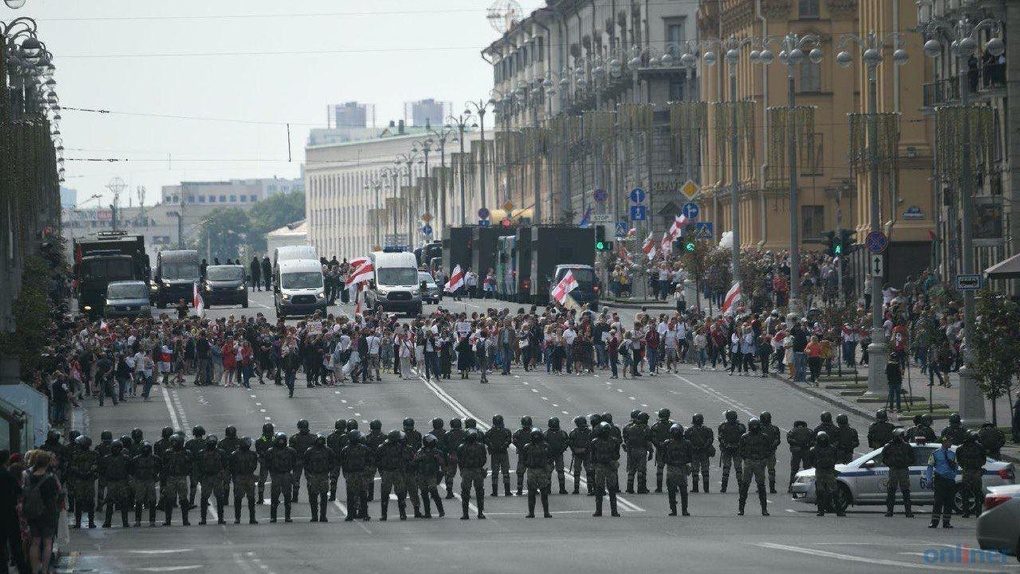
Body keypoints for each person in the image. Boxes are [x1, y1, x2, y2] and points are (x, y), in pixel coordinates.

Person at [25, 451, 60, 574]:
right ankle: (44, 570)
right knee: (47, 543)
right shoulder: (49, 478)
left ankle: (34, 570)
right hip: (48, 514)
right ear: (47, 463)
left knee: (34, 542)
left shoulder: (29, 476)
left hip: (33, 513)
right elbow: (57, 493)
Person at [589, 422, 621, 517]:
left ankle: (612, 510)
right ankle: (600, 510)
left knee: (611, 488)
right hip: (601, 466)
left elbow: (617, 454)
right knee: (599, 488)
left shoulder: (614, 441)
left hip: (608, 465)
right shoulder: (595, 442)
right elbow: (592, 455)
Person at [302, 434, 336, 523]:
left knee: (324, 496)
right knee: (313, 497)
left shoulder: (328, 451)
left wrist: (328, 469)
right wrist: (308, 474)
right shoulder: (310, 451)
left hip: (323, 475)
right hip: (313, 475)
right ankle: (314, 516)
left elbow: (333, 461)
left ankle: (323, 516)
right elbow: (305, 463)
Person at [925, 436, 958, 528]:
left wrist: (953, 474)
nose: (950, 443)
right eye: (949, 441)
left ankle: (946, 522)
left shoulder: (952, 454)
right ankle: (934, 522)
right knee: (938, 501)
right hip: (940, 479)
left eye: (951, 441)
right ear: (944, 442)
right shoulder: (935, 453)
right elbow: (930, 467)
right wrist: (929, 479)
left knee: (949, 501)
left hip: (950, 480)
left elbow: (956, 466)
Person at [340, 430, 373, 521]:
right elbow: (369, 461)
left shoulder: (345, 449)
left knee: (350, 495)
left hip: (351, 475)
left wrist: (345, 474)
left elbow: (343, 463)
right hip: (361, 474)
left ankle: (350, 514)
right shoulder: (364, 448)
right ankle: (364, 514)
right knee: (363, 495)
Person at [808, 431, 843, 517]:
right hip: (822, 471)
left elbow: (835, 458)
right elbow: (811, 461)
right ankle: (825, 510)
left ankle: (832, 510)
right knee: (822, 491)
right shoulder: (815, 449)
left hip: (826, 471)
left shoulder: (830, 449)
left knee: (832, 491)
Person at [265, 432, 297, 523]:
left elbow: (294, 462)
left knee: (287, 496)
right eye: (280, 440)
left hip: (286, 474)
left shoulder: (291, 451)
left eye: (282, 440)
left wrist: (290, 472)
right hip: (276, 475)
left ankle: (287, 516)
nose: (281, 442)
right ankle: (273, 517)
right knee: (274, 496)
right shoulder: (271, 451)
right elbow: (267, 463)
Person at [881, 429, 914, 517]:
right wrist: (890, 464)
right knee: (891, 490)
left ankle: (908, 511)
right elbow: (884, 458)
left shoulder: (907, 446)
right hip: (894, 469)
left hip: (903, 469)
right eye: (900, 436)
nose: (902, 438)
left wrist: (906, 463)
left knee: (905, 490)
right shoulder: (889, 446)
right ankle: (890, 511)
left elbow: (912, 458)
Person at [661, 424, 692, 517]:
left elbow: (663, 457)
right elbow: (690, 456)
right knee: (683, 490)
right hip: (681, 468)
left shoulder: (667, 443)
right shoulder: (687, 443)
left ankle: (673, 510)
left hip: (672, 468)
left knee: (671, 490)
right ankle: (684, 510)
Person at [522, 428, 553, 518]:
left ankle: (532, 513)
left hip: (533, 470)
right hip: (540, 470)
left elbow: (523, 459)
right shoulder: (545, 446)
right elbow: (550, 458)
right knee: (543, 492)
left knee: (532, 492)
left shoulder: (527, 447)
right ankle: (545, 512)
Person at [456, 429, 487, 520]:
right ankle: (480, 513)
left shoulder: (461, 447)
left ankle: (466, 514)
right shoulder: (481, 446)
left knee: (465, 492)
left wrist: (462, 470)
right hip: (476, 470)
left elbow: (460, 460)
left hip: (468, 470)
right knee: (479, 491)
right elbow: (484, 459)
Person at [162, 434, 192, 526]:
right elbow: (164, 467)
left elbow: (190, 466)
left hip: (181, 477)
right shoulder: (168, 453)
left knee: (183, 499)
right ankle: (168, 520)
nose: (174, 444)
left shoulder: (186, 453)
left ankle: (185, 519)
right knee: (169, 499)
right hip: (171, 478)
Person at [228, 437, 259, 524]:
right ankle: (237, 518)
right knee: (238, 498)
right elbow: (231, 466)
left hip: (249, 476)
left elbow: (254, 465)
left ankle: (252, 518)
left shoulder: (252, 454)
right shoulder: (235, 454)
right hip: (240, 477)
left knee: (251, 498)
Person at [956, 432, 986, 518]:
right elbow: (959, 460)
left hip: (972, 471)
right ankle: (971, 512)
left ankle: (972, 512)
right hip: (971, 470)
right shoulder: (961, 448)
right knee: (967, 492)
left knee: (975, 492)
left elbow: (983, 459)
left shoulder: (979, 447)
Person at [129, 442, 160, 526]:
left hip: (150, 480)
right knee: (139, 501)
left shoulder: (155, 459)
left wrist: (155, 476)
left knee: (152, 501)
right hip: (140, 481)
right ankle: (138, 520)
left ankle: (152, 520)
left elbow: (159, 467)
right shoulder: (136, 459)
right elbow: (131, 469)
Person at [623, 411, 653, 494]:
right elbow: (648, 442)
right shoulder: (646, 428)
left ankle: (629, 488)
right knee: (641, 470)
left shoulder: (629, 428)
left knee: (631, 470)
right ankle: (641, 488)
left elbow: (626, 440)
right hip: (642, 450)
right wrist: (651, 452)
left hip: (631, 451)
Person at [684, 413, 714, 493]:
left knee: (695, 471)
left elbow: (686, 442)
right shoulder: (707, 430)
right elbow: (710, 440)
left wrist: (694, 448)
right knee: (705, 470)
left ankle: (695, 488)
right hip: (704, 452)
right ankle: (706, 488)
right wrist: (704, 447)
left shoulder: (689, 431)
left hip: (694, 453)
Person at [485, 415, 513, 497]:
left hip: (495, 454)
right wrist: (502, 447)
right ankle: (507, 491)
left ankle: (495, 492)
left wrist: (492, 447)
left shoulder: (490, 432)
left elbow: (486, 440)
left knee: (495, 473)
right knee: (505, 472)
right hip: (503, 453)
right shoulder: (506, 431)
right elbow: (508, 441)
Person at [717, 410, 744, 493]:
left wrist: (726, 445)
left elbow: (720, 438)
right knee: (738, 468)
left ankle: (724, 487)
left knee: (726, 468)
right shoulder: (740, 426)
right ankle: (741, 487)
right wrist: (737, 445)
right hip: (736, 449)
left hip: (727, 450)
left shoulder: (723, 426)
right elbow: (743, 438)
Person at [568, 416, 593, 495]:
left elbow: (591, 443)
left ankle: (589, 488)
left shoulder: (589, 432)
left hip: (586, 454)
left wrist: (585, 450)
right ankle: (577, 488)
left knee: (588, 471)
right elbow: (570, 443)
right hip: (578, 454)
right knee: (577, 471)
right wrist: (575, 450)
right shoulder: (574, 433)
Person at [759, 412, 781, 494]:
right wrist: (772, 446)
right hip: (770, 452)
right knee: (771, 470)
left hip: (761, 452)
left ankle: (761, 487)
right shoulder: (774, 428)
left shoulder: (758, 428)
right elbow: (777, 440)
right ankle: (772, 488)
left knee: (761, 470)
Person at [512, 416, 533, 496]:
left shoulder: (518, 432)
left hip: (523, 455)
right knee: (531, 472)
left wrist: (520, 448)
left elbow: (514, 440)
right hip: (531, 455)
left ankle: (519, 489)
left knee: (521, 472)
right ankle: (532, 488)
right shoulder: (533, 432)